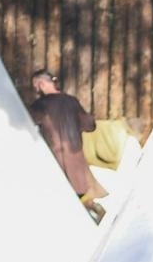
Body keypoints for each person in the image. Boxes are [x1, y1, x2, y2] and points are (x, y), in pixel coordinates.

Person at [28, 68, 107, 207]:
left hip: (54, 162)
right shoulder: (72, 101)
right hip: (77, 164)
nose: (35, 90)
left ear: (41, 84)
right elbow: (90, 125)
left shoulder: (39, 106)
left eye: (35, 86)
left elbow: (26, 128)